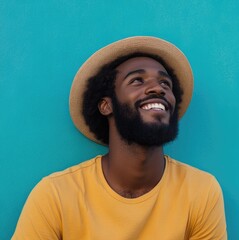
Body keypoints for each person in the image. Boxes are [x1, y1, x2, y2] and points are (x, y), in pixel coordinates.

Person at [12, 36, 227, 240]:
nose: (157, 89)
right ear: (107, 105)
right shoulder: (55, 196)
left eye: (165, 84)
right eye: (137, 80)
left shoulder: (200, 191)